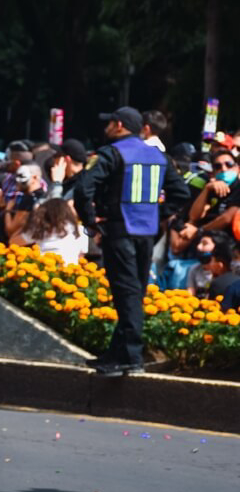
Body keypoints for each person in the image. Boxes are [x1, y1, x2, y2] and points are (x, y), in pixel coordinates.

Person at [74, 106, 189, 376]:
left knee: (126, 293)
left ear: (120, 125)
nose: (107, 127)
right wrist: (156, 213)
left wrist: (91, 220)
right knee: (134, 291)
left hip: (119, 231)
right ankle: (117, 352)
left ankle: (131, 356)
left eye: (110, 122)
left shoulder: (111, 154)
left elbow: (83, 188)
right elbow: (181, 192)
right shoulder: (158, 155)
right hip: (146, 234)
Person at [12, 198, 88, 265]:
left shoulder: (41, 229)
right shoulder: (80, 229)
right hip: (68, 274)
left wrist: (24, 225)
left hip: (45, 272)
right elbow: (81, 257)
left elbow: (13, 242)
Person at [187, 149, 239, 232]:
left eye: (229, 164)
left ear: (237, 167)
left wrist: (199, 231)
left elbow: (226, 219)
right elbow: (194, 216)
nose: (224, 169)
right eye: (218, 166)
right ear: (214, 172)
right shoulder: (213, 187)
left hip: (227, 237)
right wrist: (206, 189)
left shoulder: (238, 188)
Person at [3, 163, 47, 243]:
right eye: (16, 176)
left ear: (34, 178)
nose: (17, 180)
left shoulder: (29, 199)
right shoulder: (45, 196)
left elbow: (11, 230)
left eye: (21, 176)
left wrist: (7, 210)